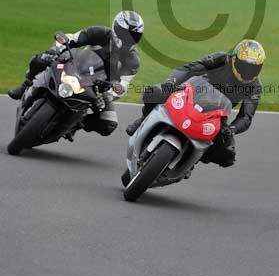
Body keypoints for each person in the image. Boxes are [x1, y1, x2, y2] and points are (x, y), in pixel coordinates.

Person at [126, 39, 265, 167]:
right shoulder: (221, 59)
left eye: (253, 69)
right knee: (153, 92)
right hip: (192, 94)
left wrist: (232, 129)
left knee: (228, 155)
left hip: (216, 114)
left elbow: (246, 117)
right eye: (244, 66)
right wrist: (171, 82)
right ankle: (144, 119)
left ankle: (191, 159)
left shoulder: (255, 86)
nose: (248, 72)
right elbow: (189, 69)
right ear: (233, 59)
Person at [8, 10, 144, 137]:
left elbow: (123, 86)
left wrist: (109, 95)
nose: (129, 38)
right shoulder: (100, 33)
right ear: (116, 29)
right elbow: (72, 38)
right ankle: (25, 85)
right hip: (75, 68)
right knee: (40, 59)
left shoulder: (133, 60)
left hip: (97, 90)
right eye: (125, 33)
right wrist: (55, 50)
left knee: (109, 124)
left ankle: (74, 124)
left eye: (134, 36)